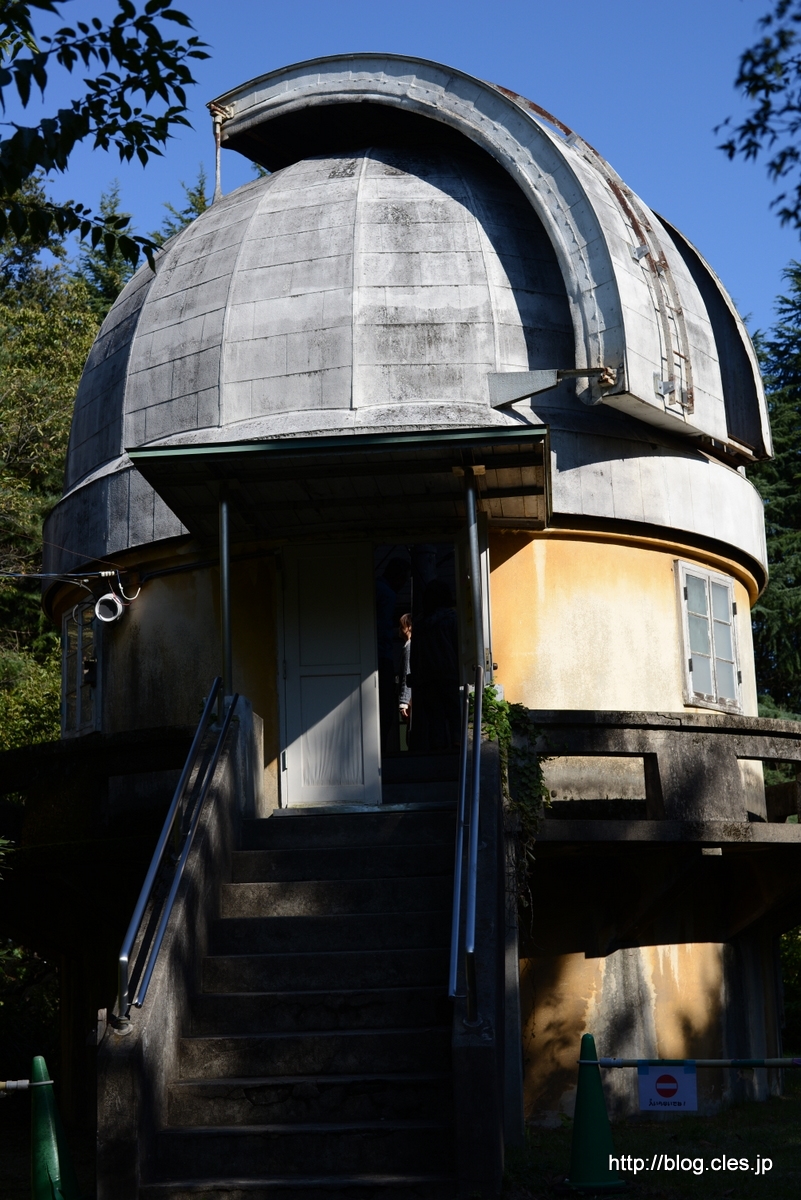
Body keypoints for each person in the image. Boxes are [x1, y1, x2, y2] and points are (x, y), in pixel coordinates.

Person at [410, 579, 460, 751]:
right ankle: (457, 745)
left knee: (435, 717)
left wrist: (415, 675)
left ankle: (438, 750)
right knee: (455, 713)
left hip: (427, 676)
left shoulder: (420, 623)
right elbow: (457, 646)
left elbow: (415, 653)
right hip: (450, 672)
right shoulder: (452, 618)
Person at [375, 557, 409, 752]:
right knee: (386, 707)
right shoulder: (387, 594)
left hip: (375, 654)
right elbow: (382, 628)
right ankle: (383, 749)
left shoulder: (375, 588)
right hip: (382, 655)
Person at [398, 613, 412, 733]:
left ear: (409, 627)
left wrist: (404, 702)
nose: (399, 629)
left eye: (402, 626)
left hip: (411, 699)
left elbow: (407, 673)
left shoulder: (409, 647)